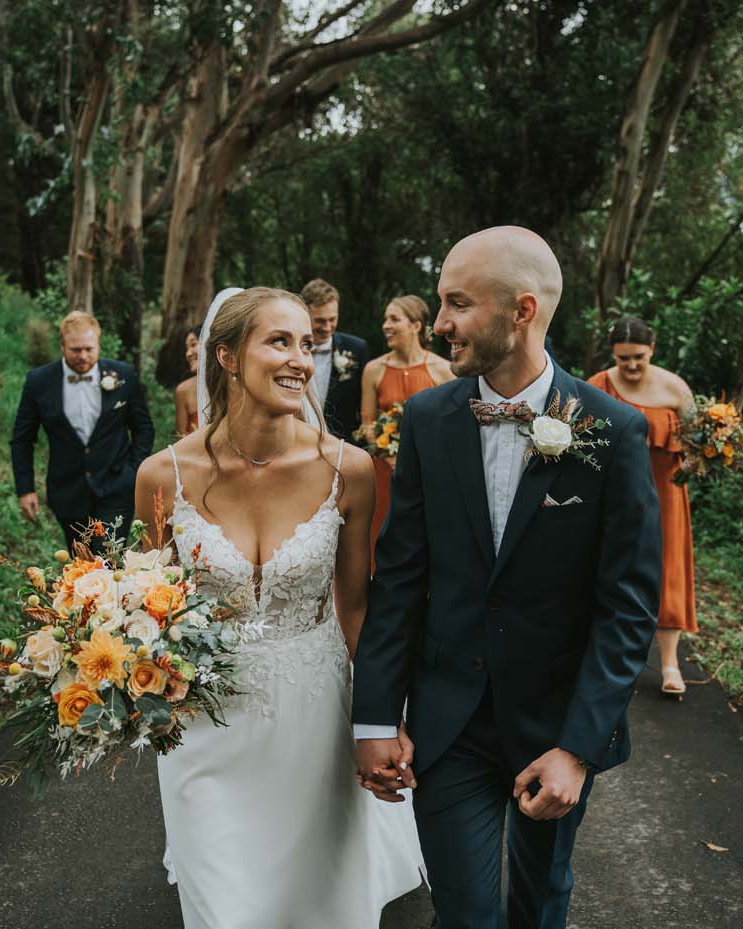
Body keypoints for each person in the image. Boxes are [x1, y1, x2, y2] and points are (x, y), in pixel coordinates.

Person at [352, 227, 663, 929]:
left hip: (555, 724)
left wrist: (578, 749)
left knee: (539, 901)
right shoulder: (428, 420)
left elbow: (628, 607)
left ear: (521, 311)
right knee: (463, 915)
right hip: (449, 719)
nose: (440, 324)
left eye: (457, 303)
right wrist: (375, 716)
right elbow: (397, 579)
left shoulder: (612, 430)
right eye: (439, 303)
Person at [134, 287, 424, 929]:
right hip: (205, 731)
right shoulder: (162, 476)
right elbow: (145, 615)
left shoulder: (348, 469)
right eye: (280, 341)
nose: (301, 359)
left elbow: (354, 607)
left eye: (306, 344)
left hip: (317, 723)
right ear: (228, 357)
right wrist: (132, 693)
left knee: (322, 908)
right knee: (223, 910)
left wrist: (384, 719)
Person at [587, 316, 697, 694]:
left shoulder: (675, 387)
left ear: (652, 350)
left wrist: (704, 457)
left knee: (668, 570)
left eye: (638, 357)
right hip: (615, 491)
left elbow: (699, 439)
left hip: (666, 492)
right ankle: (613, 659)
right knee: (612, 566)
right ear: (612, 356)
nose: (631, 366)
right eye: (623, 359)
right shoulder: (598, 385)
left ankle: (669, 664)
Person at [10, 311, 153, 551]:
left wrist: (134, 471)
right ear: (62, 346)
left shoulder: (123, 375)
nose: (84, 356)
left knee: (108, 562)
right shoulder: (39, 381)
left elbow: (143, 427)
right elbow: (22, 439)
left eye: (90, 349)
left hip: (116, 488)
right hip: (68, 491)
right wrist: (25, 489)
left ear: (98, 344)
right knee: (81, 568)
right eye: (76, 350)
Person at [359, 295, 453, 553]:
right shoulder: (373, 369)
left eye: (394, 319)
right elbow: (367, 423)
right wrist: (387, 453)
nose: (385, 326)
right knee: (381, 535)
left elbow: (451, 428)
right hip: (384, 470)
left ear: (416, 326)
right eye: (385, 319)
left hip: (429, 470)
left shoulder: (445, 370)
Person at [300, 277, 369, 442]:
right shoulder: (290, 350)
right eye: (320, 321)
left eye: (333, 319)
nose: (327, 327)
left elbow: (363, 406)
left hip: (342, 444)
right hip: (297, 441)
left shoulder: (357, 349)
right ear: (304, 313)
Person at [173, 325, 202, 436]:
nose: (188, 354)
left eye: (193, 345)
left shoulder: (234, 383)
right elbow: (181, 438)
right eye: (187, 349)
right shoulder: (183, 391)